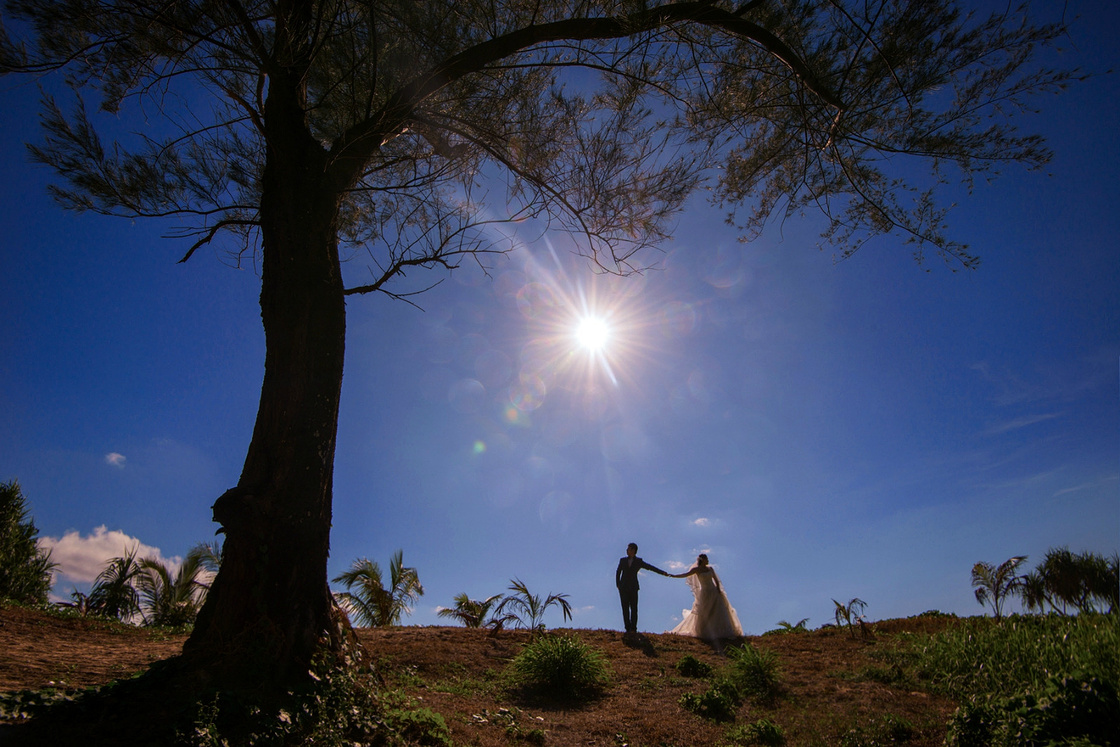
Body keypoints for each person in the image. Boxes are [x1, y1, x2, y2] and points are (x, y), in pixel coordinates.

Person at [668, 553, 743, 641]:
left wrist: (718, 589)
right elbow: (686, 574)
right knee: (705, 612)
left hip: (714, 591)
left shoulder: (710, 568)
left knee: (718, 611)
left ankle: (720, 631)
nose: (708, 560)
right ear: (702, 560)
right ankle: (705, 631)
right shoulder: (696, 569)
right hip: (705, 592)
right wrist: (674, 576)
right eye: (706, 559)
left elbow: (716, 580)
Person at [615, 542, 670, 634]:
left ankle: (633, 628)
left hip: (633, 587)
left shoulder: (638, 561)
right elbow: (618, 572)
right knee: (625, 608)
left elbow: (650, 567)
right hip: (623, 587)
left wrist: (662, 572)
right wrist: (618, 584)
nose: (627, 550)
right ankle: (627, 628)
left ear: (633, 550)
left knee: (634, 608)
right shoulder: (622, 560)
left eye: (628, 549)